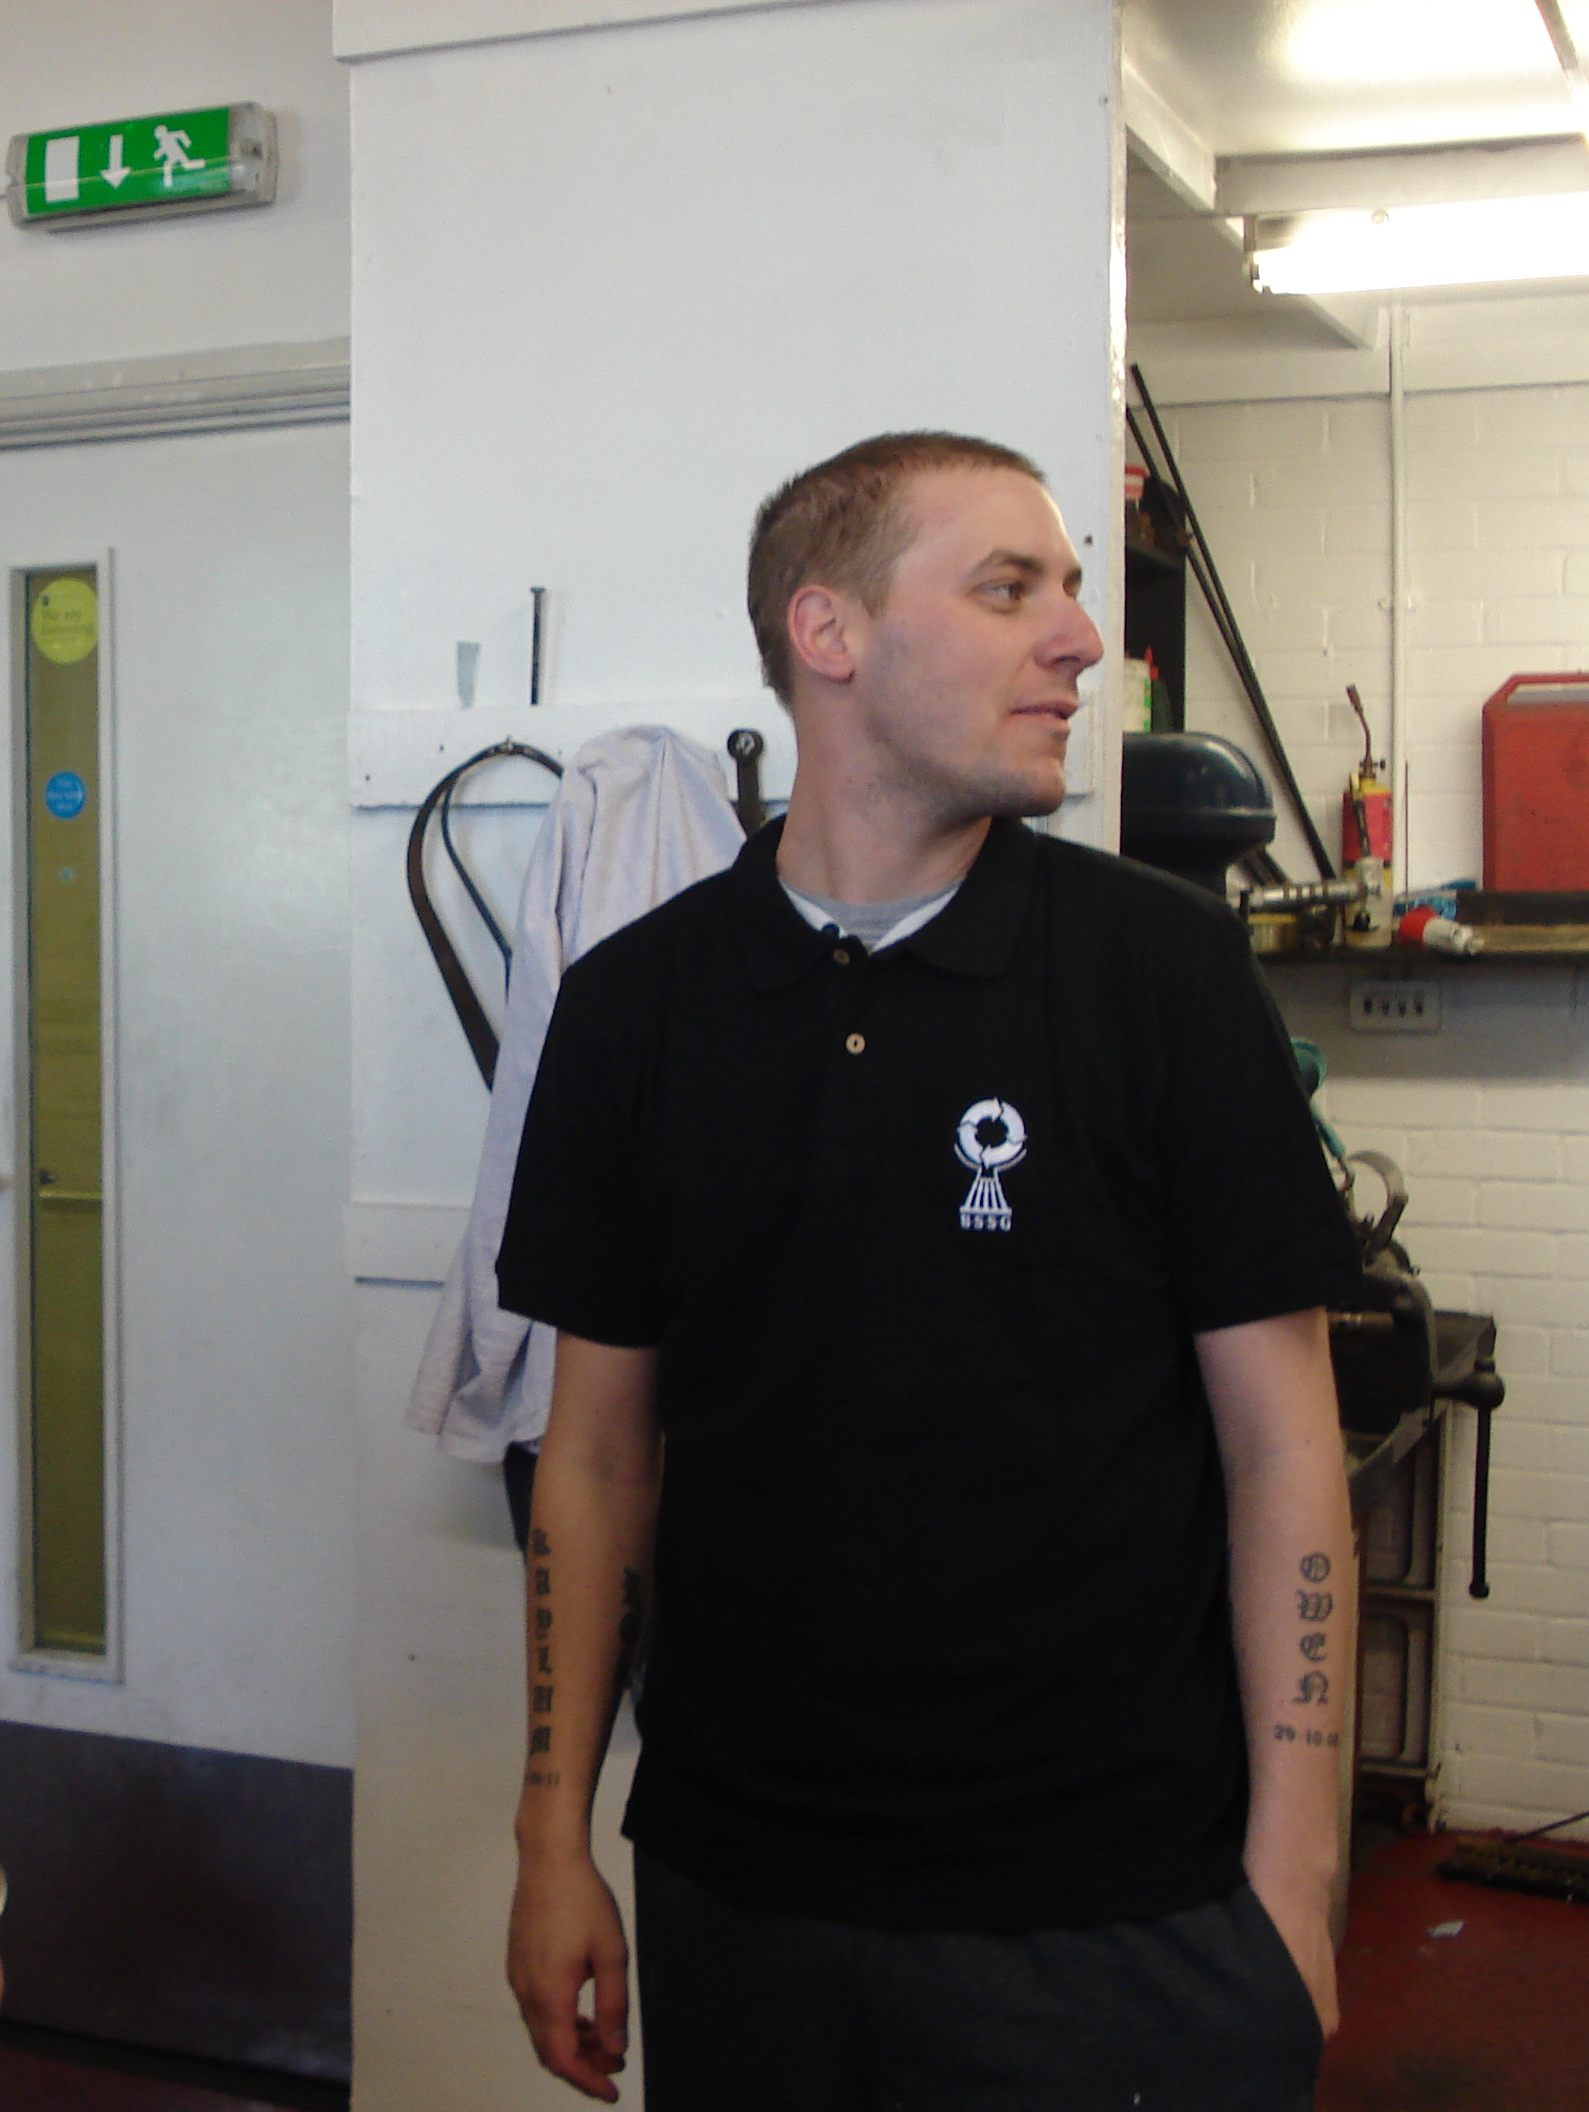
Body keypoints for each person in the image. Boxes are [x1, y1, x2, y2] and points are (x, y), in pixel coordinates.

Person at [499, 431, 1361, 2109]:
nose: (1080, 642)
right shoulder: (636, 1010)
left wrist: (1295, 1881)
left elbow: (1284, 1449)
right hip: (742, 1896)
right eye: (1008, 589)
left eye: (1070, 591)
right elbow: (593, 1463)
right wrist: (552, 1837)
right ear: (828, 632)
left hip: (1121, 1908)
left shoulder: (1162, 976)